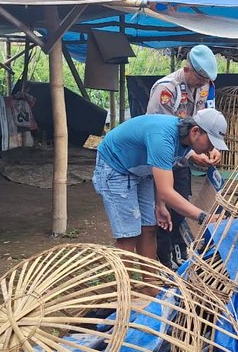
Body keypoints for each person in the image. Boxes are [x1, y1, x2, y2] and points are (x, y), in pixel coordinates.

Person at [92, 109, 228, 261]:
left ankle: (150, 283)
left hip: (142, 169)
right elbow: (166, 191)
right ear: (195, 131)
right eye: (210, 142)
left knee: (149, 228)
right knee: (128, 236)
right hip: (116, 165)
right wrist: (204, 217)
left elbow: (163, 176)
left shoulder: (187, 139)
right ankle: (125, 283)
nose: (210, 149)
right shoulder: (163, 138)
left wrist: (160, 205)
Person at [146, 44, 219, 267]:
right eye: (199, 79)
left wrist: (211, 147)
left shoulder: (205, 87)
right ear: (187, 69)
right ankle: (163, 261)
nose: (202, 84)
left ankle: (180, 255)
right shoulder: (166, 91)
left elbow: (205, 122)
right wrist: (192, 156)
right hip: (162, 158)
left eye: (205, 81)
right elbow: (158, 135)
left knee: (179, 209)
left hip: (183, 158)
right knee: (162, 210)